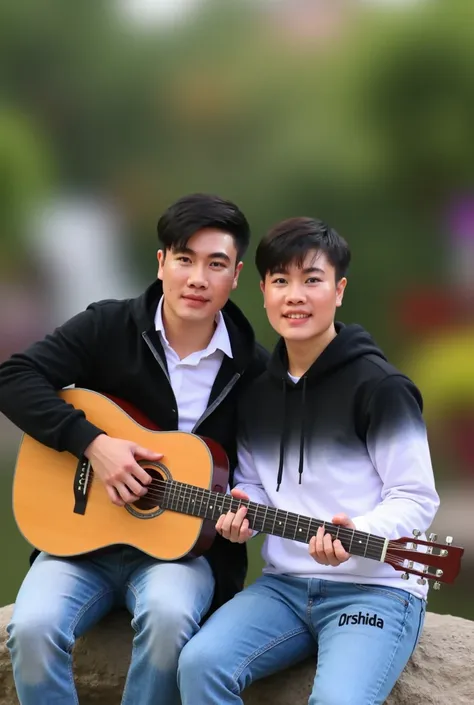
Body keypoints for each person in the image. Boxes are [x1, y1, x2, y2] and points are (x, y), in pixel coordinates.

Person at [0, 193, 269, 705]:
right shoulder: (109, 326)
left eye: (216, 265)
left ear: (235, 277)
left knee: (169, 623)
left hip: (183, 555)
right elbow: (13, 378)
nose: (197, 278)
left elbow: (264, 475)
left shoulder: (257, 372)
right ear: (162, 262)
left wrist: (248, 508)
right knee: (31, 629)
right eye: (185, 259)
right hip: (77, 542)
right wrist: (93, 445)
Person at [177, 216, 440, 705]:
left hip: (375, 590)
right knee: (200, 665)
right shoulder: (255, 394)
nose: (294, 295)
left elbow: (415, 496)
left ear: (339, 290)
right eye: (281, 281)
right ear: (262, 292)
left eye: (311, 280)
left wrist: (356, 533)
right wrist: (241, 511)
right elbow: (254, 484)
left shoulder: (381, 389)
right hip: (284, 587)